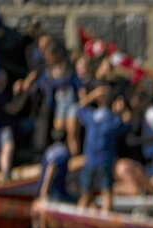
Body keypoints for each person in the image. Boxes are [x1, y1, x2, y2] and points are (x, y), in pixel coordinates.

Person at [76, 84, 132, 212]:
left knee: (85, 195)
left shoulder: (91, 116)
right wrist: (123, 110)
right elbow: (128, 124)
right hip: (105, 162)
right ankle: (105, 225)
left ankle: (76, 223)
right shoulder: (113, 121)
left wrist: (93, 95)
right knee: (107, 193)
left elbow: (79, 108)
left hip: (89, 161)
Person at [37, 130, 75, 202]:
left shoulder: (49, 149)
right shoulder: (62, 151)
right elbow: (51, 167)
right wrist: (45, 189)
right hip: (55, 194)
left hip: (43, 189)